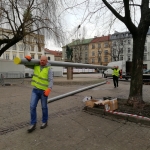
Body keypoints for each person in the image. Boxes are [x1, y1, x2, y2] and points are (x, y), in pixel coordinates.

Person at [25, 55, 53, 133]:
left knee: (44, 107)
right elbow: (26, 65)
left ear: (46, 61)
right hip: (35, 90)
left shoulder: (49, 69)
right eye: (41, 60)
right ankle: (33, 123)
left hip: (44, 91)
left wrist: (49, 89)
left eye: (43, 60)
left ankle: (45, 121)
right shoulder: (36, 66)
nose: (42, 61)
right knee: (32, 106)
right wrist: (27, 60)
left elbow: (51, 80)